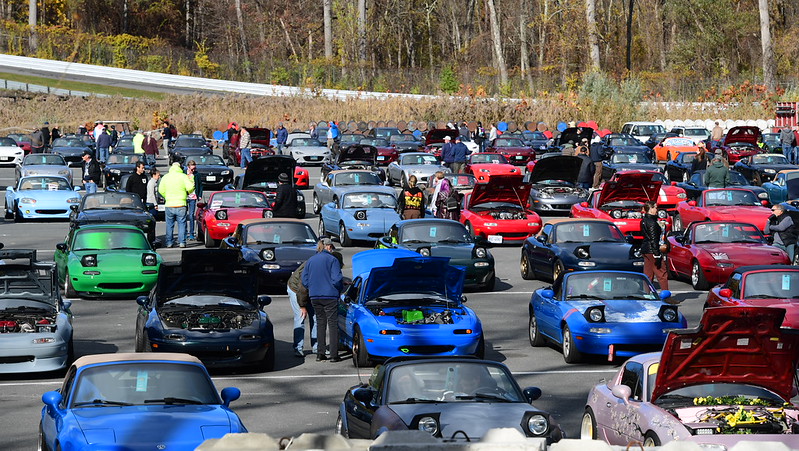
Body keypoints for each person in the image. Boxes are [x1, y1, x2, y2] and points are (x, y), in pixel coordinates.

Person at [301, 238, 344, 362]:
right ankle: (334, 355)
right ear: (329, 247)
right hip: (330, 295)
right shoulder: (332, 260)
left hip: (315, 295)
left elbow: (304, 279)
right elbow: (337, 279)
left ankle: (320, 353)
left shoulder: (311, 260)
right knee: (332, 324)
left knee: (320, 323)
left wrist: (313, 287)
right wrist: (338, 288)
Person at [287, 242, 322, 358]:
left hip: (309, 292)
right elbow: (302, 289)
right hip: (297, 290)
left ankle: (317, 347)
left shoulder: (325, 264)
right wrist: (302, 306)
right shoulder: (311, 267)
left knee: (315, 317)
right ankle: (298, 347)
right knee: (301, 317)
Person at [158, 162, 195, 248]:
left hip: (169, 204)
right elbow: (190, 187)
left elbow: (160, 189)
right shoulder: (183, 176)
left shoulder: (166, 177)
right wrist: (187, 193)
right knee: (182, 224)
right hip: (181, 203)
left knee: (169, 224)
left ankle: (169, 242)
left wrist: (166, 196)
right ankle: (182, 242)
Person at [641, 201, 669, 290]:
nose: (657, 210)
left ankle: (646, 295)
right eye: (655, 207)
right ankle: (666, 296)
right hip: (652, 250)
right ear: (651, 209)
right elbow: (653, 239)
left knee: (648, 274)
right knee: (662, 273)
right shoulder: (652, 222)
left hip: (646, 249)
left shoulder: (644, 221)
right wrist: (657, 254)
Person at [185, 160, 203, 240]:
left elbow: (200, 185)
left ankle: (191, 233)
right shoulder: (183, 174)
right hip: (184, 197)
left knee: (191, 215)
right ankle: (184, 233)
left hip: (193, 197)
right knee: (184, 216)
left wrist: (199, 195)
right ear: (188, 167)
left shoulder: (197, 174)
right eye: (191, 169)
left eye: (194, 169)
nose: (193, 170)